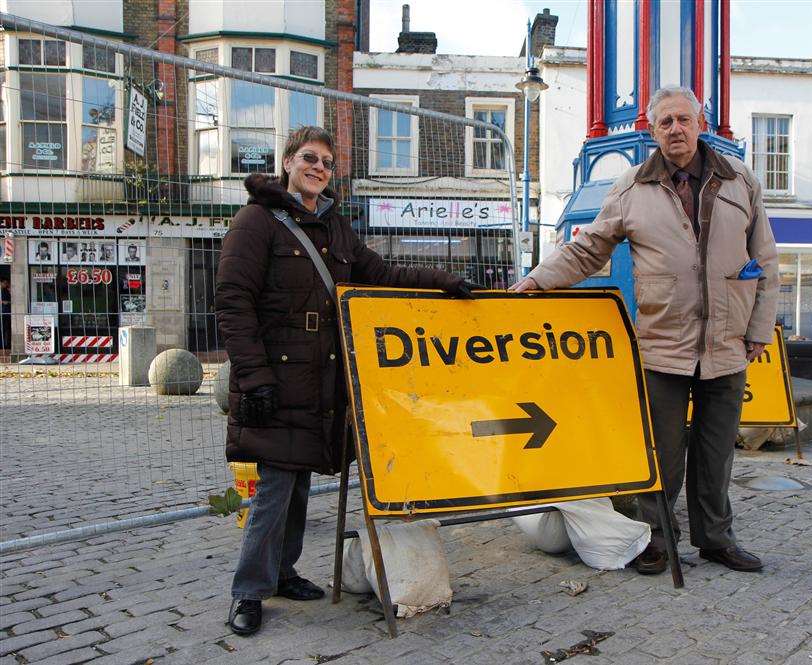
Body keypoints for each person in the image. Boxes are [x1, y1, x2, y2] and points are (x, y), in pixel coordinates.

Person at [216, 126, 476, 637]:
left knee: (297, 480)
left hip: (319, 380)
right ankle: (248, 590)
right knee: (274, 485)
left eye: (327, 163)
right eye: (309, 158)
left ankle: (284, 572)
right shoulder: (255, 222)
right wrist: (254, 376)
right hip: (272, 376)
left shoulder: (335, 228)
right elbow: (232, 303)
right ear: (287, 162)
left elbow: (380, 274)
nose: (318, 168)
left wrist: (443, 280)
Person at [511, 86, 778, 575]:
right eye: (665, 123)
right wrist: (536, 280)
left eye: (683, 119)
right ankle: (656, 538)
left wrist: (760, 327)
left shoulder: (741, 179)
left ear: (701, 122)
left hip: (728, 343)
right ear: (651, 131)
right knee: (662, 453)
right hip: (661, 343)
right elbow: (589, 247)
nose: (675, 129)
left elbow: (765, 258)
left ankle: (716, 538)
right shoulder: (631, 186)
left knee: (716, 452)